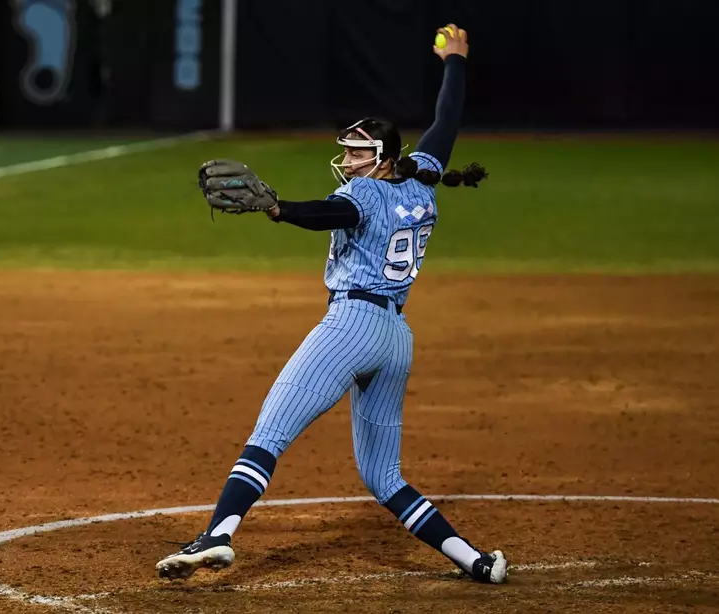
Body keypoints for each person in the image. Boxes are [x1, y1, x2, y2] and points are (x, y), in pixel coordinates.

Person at [156, 24, 507, 584]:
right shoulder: (422, 180)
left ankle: (217, 535)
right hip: (395, 339)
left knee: (269, 434)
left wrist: (278, 209)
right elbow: (446, 121)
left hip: (352, 326)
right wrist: (456, 60)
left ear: (382, 158)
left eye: (358, 151)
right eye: (347, 150)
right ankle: (477, 561)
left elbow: (330, 213)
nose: (347, 158)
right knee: (385, 478)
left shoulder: (363, 191)